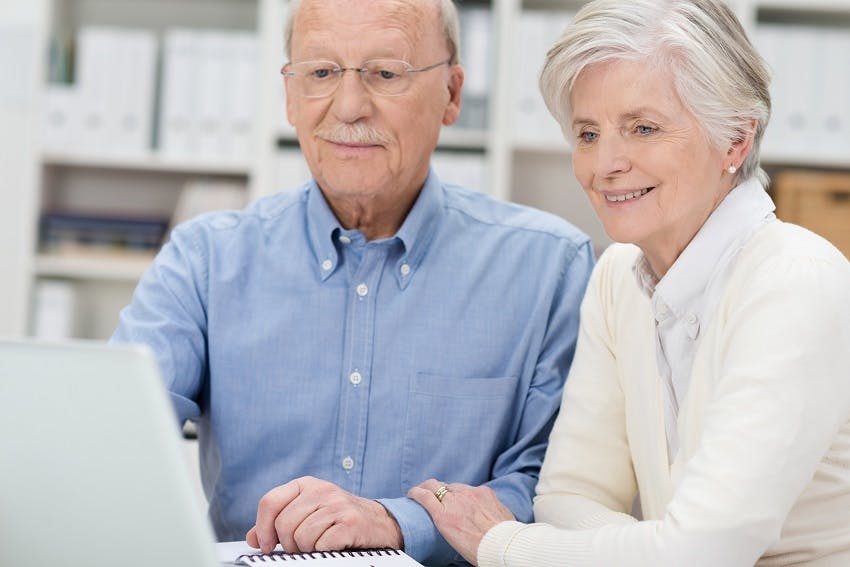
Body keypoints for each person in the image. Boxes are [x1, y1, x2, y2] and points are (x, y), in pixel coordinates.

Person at [111, 0, 594, 565]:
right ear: (290, 96)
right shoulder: (205, 260)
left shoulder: (549, 268)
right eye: (320, 73)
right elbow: (112, 437)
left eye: (385, 74)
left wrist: (396, 520)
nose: (349, 106)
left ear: (453, 95)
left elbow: (547, 489)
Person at [408, 0, 850, 565]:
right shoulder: (620, 276)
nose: (605, 164)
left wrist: (502, 543)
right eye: (588, 133)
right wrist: (657, 548)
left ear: (736, 140)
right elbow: (568, 495)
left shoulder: (794, 283)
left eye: (643, 128)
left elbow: (701, 550)